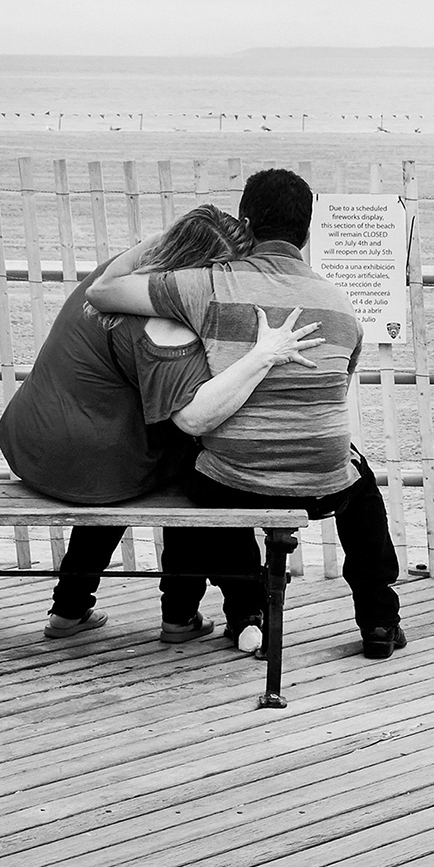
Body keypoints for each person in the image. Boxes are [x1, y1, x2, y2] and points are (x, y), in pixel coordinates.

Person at [89, 168, 406, 660]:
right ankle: (380, 620)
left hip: (235, 479)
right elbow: (330, 394)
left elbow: (104, 292)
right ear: (308, 228)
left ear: (245, 223)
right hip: (322, 479)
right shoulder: (342, 305)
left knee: (206, 472)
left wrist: (166, 238)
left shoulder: (206, 286)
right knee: (361, 487)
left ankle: (247, 612)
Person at [0, 205, 320, 645]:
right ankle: (196, 613)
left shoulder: (112, 279)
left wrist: (180, 234)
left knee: (127, 470)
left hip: (35, 445)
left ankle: (69, 609)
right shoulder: (164, 327)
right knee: (201, 466)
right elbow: (193, 418)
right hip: (91, 467)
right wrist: (261, 356)